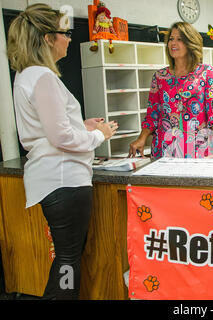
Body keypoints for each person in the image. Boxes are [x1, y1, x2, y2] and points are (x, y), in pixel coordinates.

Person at [7, 3, 118, 299]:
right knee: (69, 260)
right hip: (64, 181)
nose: (69, 39)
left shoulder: (27, 76)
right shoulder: (43, 78)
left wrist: (81, 124)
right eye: (64, 33)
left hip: (55, 181)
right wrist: (98, 134)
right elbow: (60, 137)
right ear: (47, 38)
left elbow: (49, 128)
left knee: (66, 258)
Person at [128, 21, 213, 160]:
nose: (173, 43)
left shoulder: (206, 72)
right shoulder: (159, 76)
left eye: (179, 39)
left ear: (190, 43)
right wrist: (141, 138)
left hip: (198, 149)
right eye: (171, 39)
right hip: (164, 150)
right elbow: (153, 114)